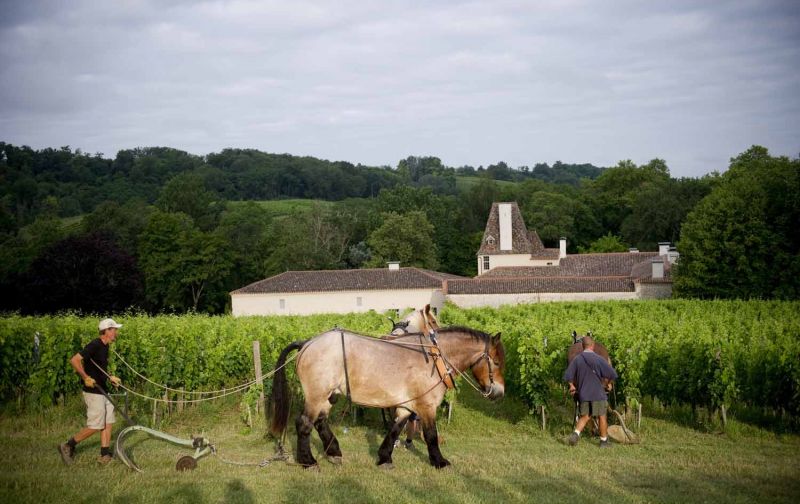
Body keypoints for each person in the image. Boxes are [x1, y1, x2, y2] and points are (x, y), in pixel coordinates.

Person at [58, 318, 123, 465]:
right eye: (114, 329)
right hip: (92, 391)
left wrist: (109, 377)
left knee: (108, 421)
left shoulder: (105, 346)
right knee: (96, 425)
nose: (116, 332)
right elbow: (74, 360)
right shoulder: (95, 344)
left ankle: (104, 455)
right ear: (106, 331)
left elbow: (99, 367)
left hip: (103, 389)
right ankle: (68, 445)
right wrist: (85, 377)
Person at [563, 335, 618, 448]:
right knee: (602, 416)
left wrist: (572, 386)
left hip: (583, 393)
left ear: (582, 346)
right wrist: (609, 384)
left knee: (585, 416)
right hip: (598, 393)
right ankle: (603, 441)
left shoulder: (577, 359)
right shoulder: (599, 359)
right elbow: (613, 374)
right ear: (593, 346)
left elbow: (567, 375)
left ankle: (575, 434)